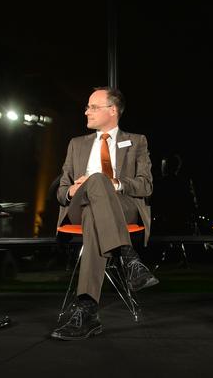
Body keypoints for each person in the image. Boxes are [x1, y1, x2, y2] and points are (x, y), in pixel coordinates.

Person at [51, 87, 157, 341]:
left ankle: (87, 310)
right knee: (94, 186)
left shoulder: (137, 141)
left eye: (93, 107)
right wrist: (73, 189)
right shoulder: (76, 144)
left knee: (95, 206)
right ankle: (128, 256)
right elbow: (61, 191)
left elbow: (146, 185)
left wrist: (115, 183)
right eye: (87, 107)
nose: (86, 111)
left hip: (123, 207)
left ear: (113, 110)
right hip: (79, 204)